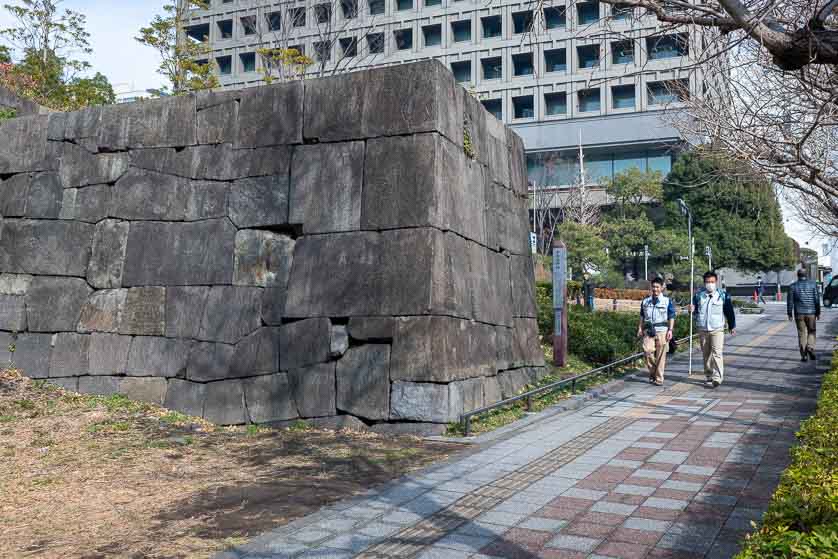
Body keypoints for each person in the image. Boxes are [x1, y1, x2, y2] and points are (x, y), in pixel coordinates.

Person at [691, 271, 736, 388]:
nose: (710, 284)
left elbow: (729, 311)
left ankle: (717, 378)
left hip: (717, 329)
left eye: (712, 282)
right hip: (703, 329)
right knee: (706, 354)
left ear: (716, 282)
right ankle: (709, 375)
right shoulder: (698, 296)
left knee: (717, 353)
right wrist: (691, 309)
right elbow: (694, 311)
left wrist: (732, 325)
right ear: (704, 283)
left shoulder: (723, 295)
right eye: (707, 282)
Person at [637, 277, 676, 386]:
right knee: (647, 351)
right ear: (651, 287)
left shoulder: (667, 301)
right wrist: (640, 328)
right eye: (653, 286)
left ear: (662, 288)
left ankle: (659, 378)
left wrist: (670, 330)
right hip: (649, 330)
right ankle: (653, 372)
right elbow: (642, 316)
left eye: (657, 287)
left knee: (660, 356)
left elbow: (672, 316)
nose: (655, 289)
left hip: (662, 330)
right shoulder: (645, 301)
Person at [787, 269, 821, 361]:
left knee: (801, 333)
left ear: (797, 275)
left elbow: (790, 302)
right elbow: (817, 299)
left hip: (799, 313)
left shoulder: (792, 286)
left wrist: (789, 314)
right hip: (811, 313)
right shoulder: (813, 284)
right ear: (807, 275)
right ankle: (810, 347)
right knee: (812, 331)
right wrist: (818, 312)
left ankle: (804, 356)